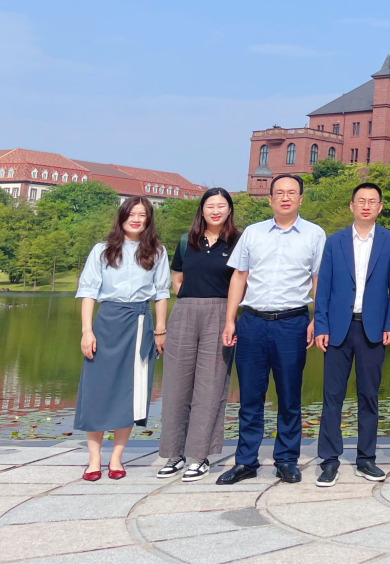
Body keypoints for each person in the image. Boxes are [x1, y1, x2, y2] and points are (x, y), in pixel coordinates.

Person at [217, 174, 325, 485]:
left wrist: (317, 319)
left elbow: (318, 280)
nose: (285, 197)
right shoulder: (253, 233)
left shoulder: (315, 234)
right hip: (251, 322)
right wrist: (230, 320)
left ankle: (286, 459)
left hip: (292, 323)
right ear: (270, 198)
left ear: (301, 198)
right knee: (250, 396)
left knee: (289, 396)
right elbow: (239, 277)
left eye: (292, 192)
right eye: (279, 193)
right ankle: (245, 461)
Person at [313, 182, 390, 487]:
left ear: (380, 207)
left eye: (372, 201)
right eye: (361, 201)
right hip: (338, 328)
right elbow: (323, 287)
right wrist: (321, 326)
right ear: (352, 206)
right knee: (332, 397)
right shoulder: (334, 241)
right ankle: (329, 461)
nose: (366, 206)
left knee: (369, 396)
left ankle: (366, 459)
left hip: (373, 329)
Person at [75, 196, 170, 481]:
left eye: (142, 215)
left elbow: (161, 293)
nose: (136, 219)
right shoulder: (102, 250)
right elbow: (88, 291)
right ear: (122, 216)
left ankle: (116, 458)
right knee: (97, 389)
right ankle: (94, 460)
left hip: (139, 324)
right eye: (131, 214)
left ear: (148, 219)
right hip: (106, 322)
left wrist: (160, 330)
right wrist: (87, 331)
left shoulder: (157, 251)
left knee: (131, 390)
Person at [157, 188, 238, 483]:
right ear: (201, 210)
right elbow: (176, 276)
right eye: (209, 206)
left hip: (220, 313)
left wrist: (228, 315)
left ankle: (199, 457)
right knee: (176, 384)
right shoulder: (186, 241)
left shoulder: (238, 241)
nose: (215, 211)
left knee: (210, 385)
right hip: (184, 313)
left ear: (229, 210)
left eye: (221, 205)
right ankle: (174, 454)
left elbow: (242, 281)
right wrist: (189, 297)